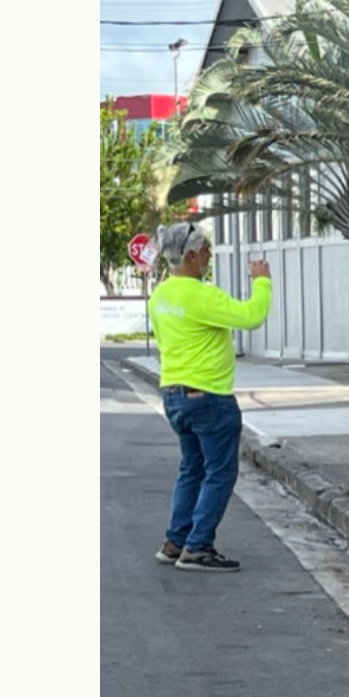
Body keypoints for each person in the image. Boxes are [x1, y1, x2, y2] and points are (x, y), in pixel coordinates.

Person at [149, 222, 272, 573]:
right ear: (190, 255)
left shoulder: (159, 296)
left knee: (192, 468)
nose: (208, 258)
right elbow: (252, 316)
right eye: (205, 251)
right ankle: (198, 547)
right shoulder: (202, 295)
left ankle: (176, 541)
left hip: (173, 394)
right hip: (209, 397)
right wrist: (262, 281)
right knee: (220, 472)